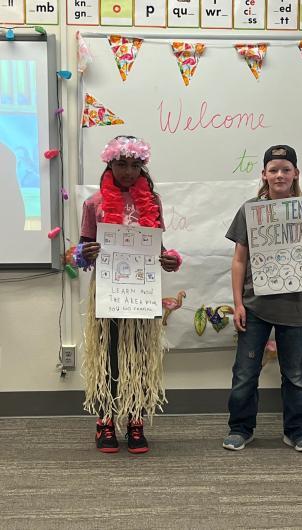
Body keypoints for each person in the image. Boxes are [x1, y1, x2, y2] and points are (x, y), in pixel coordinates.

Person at [222, 145, 302, 453]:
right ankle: (241, 428)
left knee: (295, 375)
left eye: (286, 169)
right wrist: (238, 303)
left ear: (296, 172)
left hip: (296, 306)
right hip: (255, 305)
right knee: (245, 373)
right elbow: (239, 260)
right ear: (264, 174)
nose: (279, 175)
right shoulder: (250, 210)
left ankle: (298, 431)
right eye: (273, 169)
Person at [77, 136, 181, 454]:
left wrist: (170, 259)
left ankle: (135, 420)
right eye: (122, 164)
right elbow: (80, 255)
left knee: (140, 356)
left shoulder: (152, 202)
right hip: (108, 293)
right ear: (110, 164)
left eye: (135, 165)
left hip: (141, 291)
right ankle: (105, 420)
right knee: (108, 355)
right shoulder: (93, 204)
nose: (128, 171)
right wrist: (86, 252)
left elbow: (159, 249)